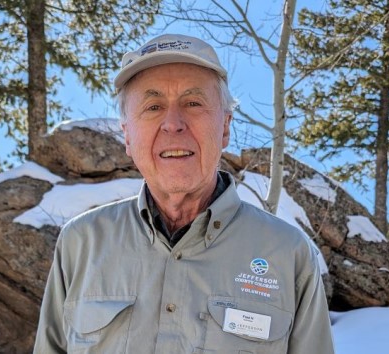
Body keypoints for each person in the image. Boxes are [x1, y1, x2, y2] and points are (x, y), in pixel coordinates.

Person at [33, 33, 335, 354]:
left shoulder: (288, 254)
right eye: (153, 106)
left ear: (225, 128)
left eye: (193, 103)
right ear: (127, 136)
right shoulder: (80, 243)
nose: (173, 124)